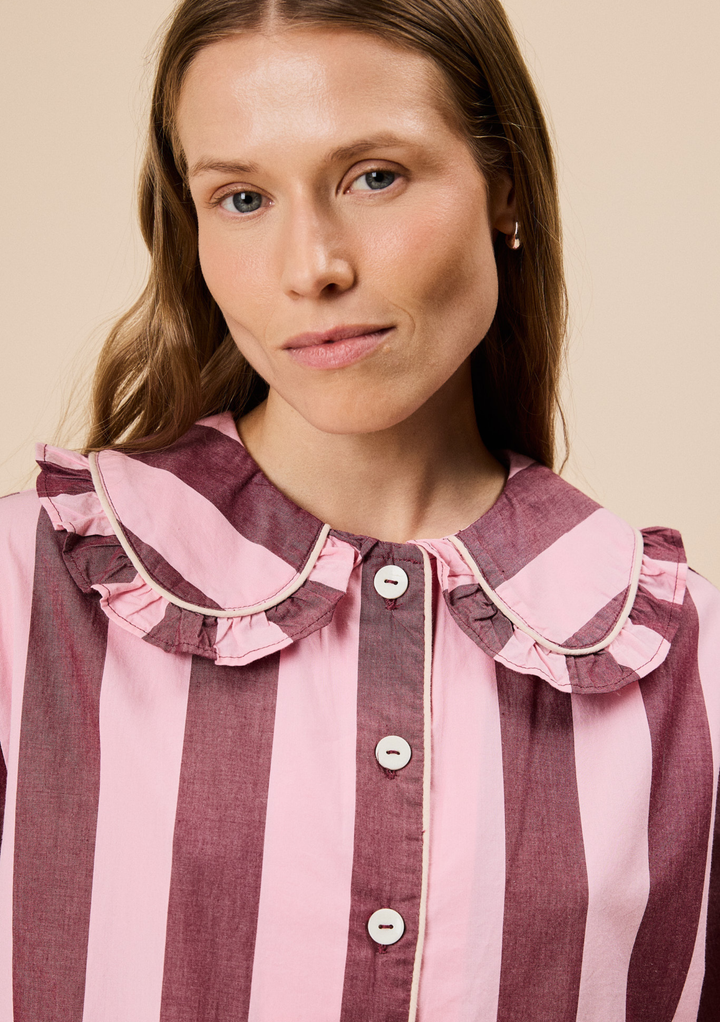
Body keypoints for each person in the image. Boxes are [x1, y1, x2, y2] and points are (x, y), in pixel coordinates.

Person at [0, 0, 718, 1019]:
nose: (313, 267)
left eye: (374, 176)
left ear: (504, 185)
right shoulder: (26, 597)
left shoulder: (688, 664)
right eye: (242, 198)